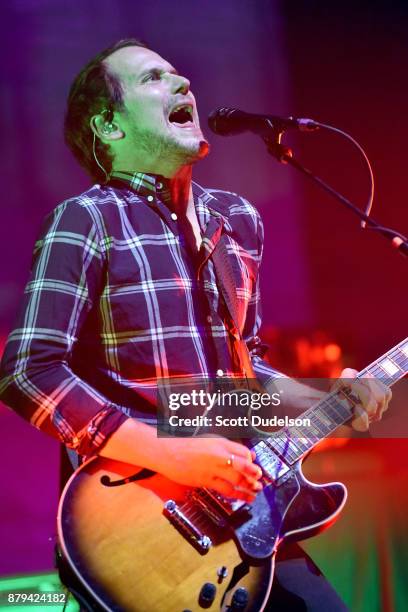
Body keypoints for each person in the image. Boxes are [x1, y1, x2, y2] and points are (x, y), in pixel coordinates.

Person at [0, 39, 391, 610]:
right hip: (139, 527)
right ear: (109, 126)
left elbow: (244, 370)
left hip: (245, 511)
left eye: (181, 75)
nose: (184, 85)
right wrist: (168, 451)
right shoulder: (85, 220)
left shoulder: (237, 219)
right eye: (155, 79)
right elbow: (26, 370)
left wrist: (329, 397)